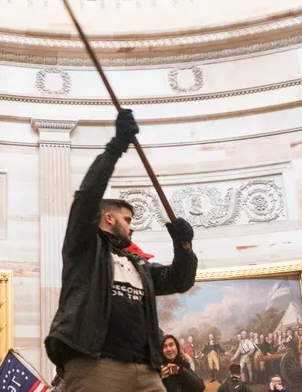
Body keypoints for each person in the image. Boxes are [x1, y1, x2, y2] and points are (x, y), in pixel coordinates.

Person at [44, 109, 198, 392]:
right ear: (108, 218)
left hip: (145, 370)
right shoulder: (85, 249)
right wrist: (116, 147)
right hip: (96, 365)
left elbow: (180, 280)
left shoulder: (138, 264)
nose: (131, 227)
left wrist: (184, 246)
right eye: (127, 220)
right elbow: (87, 197)